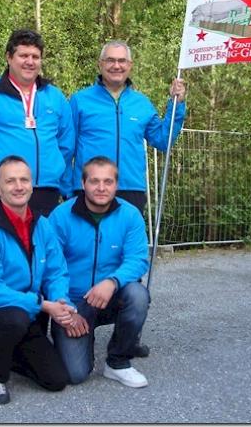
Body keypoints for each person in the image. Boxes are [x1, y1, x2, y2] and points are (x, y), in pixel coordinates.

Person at [68, 40, 186, 357]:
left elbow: (163, 140)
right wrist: (69, 188)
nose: (116, 65)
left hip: (130, 190)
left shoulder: (143, 105)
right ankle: (81, 321)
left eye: (122, 61)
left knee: (130, 267)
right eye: (110, 60)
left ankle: (126, 339)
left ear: (130, 66)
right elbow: (66, 147)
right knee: (85, 258)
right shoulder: (79, 101)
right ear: (100, 64)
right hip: (87, 191)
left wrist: (177, 106)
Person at [0, 155, 76, 404]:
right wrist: (44, 305)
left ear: (32, 185)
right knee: (15, 317)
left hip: (27, 313)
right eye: (10, 181)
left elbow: (56, 271)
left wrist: (61, 302)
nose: (18, 186)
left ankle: (2, 351)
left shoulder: (43, 225)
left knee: (56, 380)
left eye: (24, 179)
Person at [47, 156, 150, 388]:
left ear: (116, 185)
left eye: (108, 181)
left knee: (138, 295)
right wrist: (65, 309)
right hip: (73, 302)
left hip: (109, 297)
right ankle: (78, 338)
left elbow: (138, 259)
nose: (101, 188)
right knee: (75, 375)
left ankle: (118, 362)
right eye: (94, 181)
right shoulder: (60, 217)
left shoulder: (130, 215)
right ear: (83, 184)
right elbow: (52, 267)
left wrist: (112, 282)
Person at [0, 29, 74, 216]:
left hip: (47, 191)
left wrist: (54, 171)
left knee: (45, 245)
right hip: (5, 191)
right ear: (9, 57)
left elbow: (66, 144)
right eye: (23, 55)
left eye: (35, 57)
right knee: (8, 245)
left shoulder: (55, 97)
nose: (30, 62)